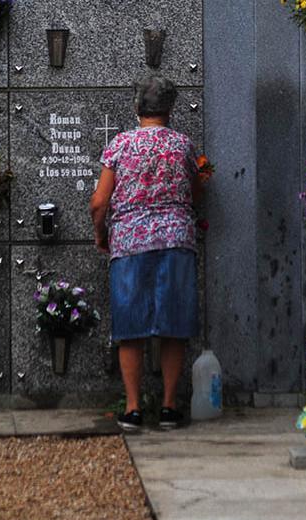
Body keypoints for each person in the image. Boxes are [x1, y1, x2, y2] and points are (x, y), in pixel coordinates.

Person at [90, 75, 205, 432]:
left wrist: (101, 232)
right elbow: (196, 192)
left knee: (131, 328)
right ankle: (170, 407)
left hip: (130, 243)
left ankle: (134, 408)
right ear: (169, 109)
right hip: (176, 240)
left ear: (137, 106)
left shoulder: (120, 146)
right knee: (173, 326)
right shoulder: (183, 146)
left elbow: (99, 202)